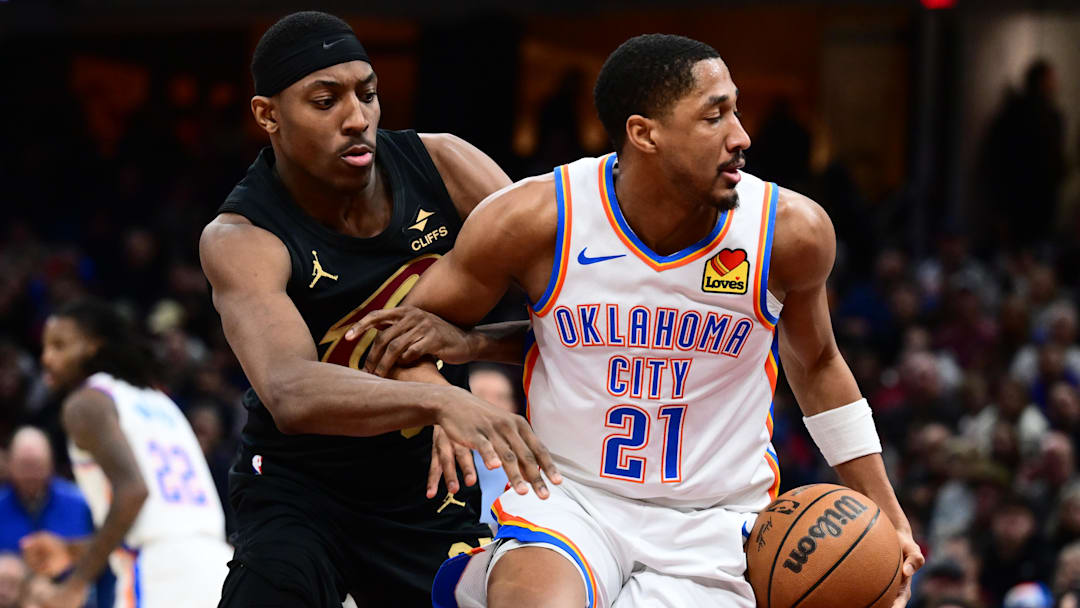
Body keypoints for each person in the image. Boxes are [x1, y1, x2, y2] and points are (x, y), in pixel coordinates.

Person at [353, 34, 924, 606]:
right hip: (571, 497)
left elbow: (818, 364)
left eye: (736, 109)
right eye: (714, 116)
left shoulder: (790, 230)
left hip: (716, 517)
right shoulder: (537, 218)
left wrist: (891, 517)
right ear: (644, 133)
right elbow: (404, 330)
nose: (741, 136)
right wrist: (440, 402)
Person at [199, 11, 555, 607]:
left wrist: (467, 347)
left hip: (429, 486)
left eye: (368, 93)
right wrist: (438, 396)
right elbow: (289, 391)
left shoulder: (446, 165)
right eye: (325, 100)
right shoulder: (242, 235)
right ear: (268, 116)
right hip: (302, 487)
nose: (357, 118)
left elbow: (577, 319)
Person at [20, 299, 232, 608]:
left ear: (94, 347)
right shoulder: (160, 402)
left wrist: (75, 584)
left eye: (60, 346)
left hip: (162, 576)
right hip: (218, 566)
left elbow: (133, 491)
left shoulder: (87, 402)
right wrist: (72, 552)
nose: (47, 358)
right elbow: (160, 524)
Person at [0, 427, 112, 608]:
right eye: (24, 465)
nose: (30, 473)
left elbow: (105, 554)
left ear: (50, 464)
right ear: (10, 464)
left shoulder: (82, 503)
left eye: (36, 464)